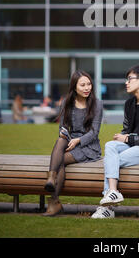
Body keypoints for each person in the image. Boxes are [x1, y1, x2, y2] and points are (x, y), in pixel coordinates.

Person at [91, 65, 139, 219]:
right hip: (133, 144)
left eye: (130, 79)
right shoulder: (129, 104)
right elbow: (126, 129)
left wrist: (127, 138)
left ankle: (108, 208)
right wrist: (121, 136)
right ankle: (113, 192)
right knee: (110, 146)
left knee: (112, 160)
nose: (126, 83)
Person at [43, 70, 103, 217]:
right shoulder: (66, 103)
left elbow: (94, 132)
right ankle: (51, 180)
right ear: (74, 87)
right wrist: (66, 135)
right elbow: (63, 127)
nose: (87, 88)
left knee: (60, 161)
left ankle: (54, 199)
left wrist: (78, 140)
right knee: (60, 139)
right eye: (82, 85)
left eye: (89, 84)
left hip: (88, 146)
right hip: (70, 141)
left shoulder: (97, 104)